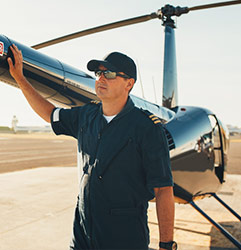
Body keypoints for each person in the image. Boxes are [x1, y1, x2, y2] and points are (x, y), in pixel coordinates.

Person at [8, 44, 177, 250]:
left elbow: (163, 190)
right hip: (83, 236)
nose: (101, 78)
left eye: (110, 73)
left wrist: (166, 245)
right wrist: (20, 79)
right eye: (99, 73)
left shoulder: (147, 129)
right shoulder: (85, 116)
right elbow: (50, 114)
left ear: (129, 84)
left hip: (124, 239)